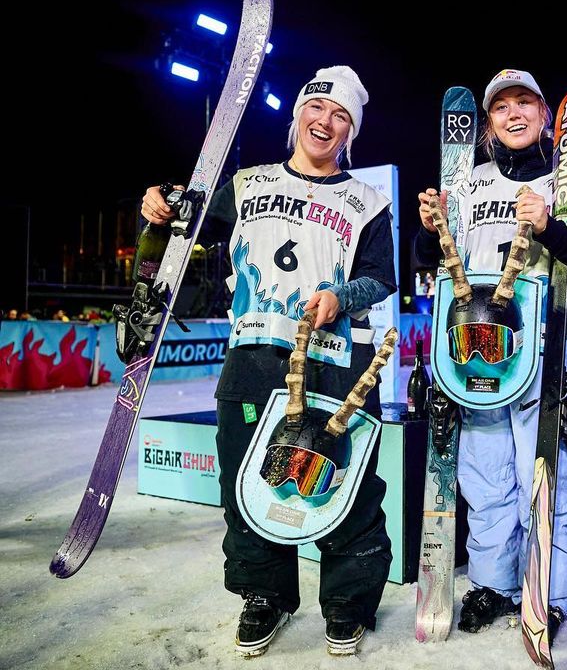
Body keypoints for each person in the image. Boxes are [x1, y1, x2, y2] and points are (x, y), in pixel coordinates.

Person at [141, 66, 396, 658]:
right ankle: (266, 595)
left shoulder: (368, 202)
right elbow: (185, 229)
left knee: (345, 485)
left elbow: (382, 276)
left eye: (341, 116)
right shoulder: (246, 184)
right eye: (317, 107)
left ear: (351, 131)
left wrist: (343, 296)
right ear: (298, 115)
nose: (325, 121)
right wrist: (158, 207)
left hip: (335, 361)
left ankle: (348, 602)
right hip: (253, 357)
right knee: (248, 483)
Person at [413, 69, 567, 639]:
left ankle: (552, 589)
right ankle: (494, 584)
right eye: (501, 107)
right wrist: (428, 228)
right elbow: (430, 259)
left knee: (542, 475)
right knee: (483, 476)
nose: (514, 113)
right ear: (488, 122)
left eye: (525, 103)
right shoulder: (467, 184)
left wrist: (548, 227)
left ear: (545, 115)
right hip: (475, 349)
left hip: (544, 346)